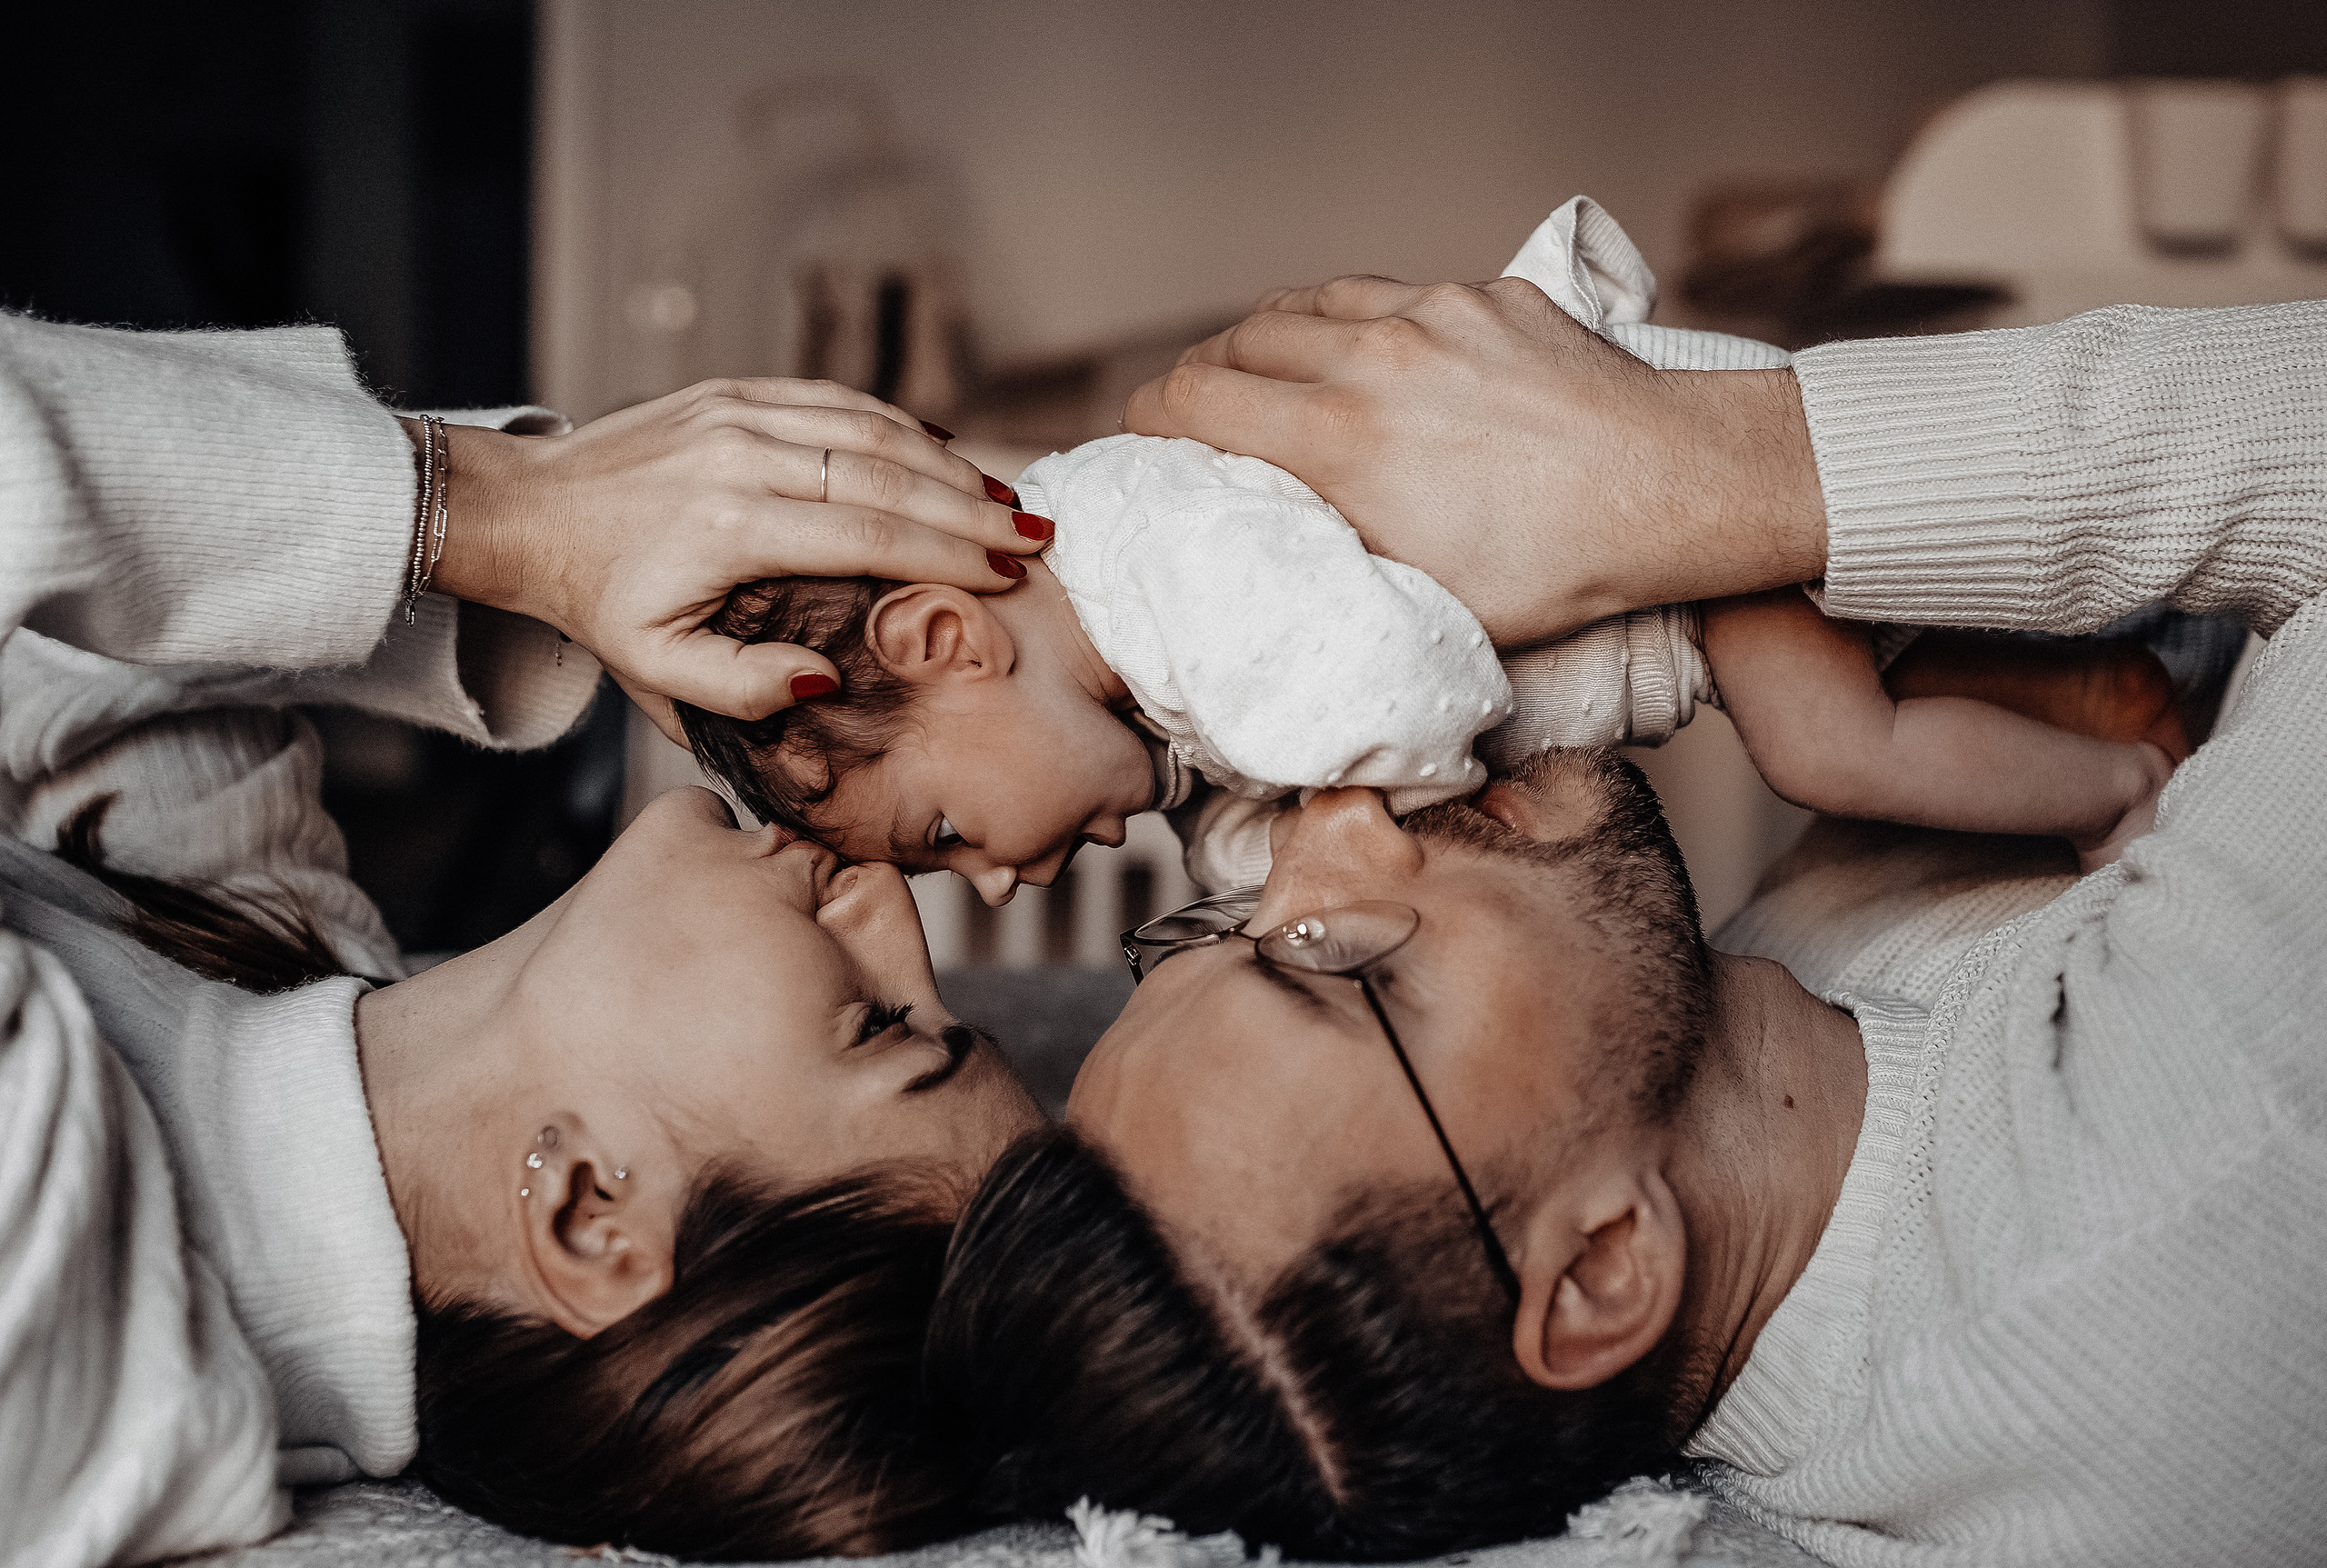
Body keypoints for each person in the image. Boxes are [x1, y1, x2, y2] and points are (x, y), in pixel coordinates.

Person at [924, 285, 2327, 1567]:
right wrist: (1701, 463)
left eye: (1227, 924)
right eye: (1338, 966)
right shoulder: (2214, 1137)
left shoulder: (1785, 1061)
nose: (1326, 822)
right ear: (1602, 1271)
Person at [0, 310, 1057, 1568]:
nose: (888, 903)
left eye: (881, 1025)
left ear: (590, 1215)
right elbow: (86, 669)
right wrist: (603, 576)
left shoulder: (43, 1242)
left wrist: (504, 515)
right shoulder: (265, 974)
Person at [683, 201, 2178, 912]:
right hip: (1647, 545)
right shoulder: (1140, 641)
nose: (998, 887)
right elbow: (1252, 791)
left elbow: (1396, 682)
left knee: (1835, 745)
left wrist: (1314, 833)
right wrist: (1264, 858)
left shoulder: (1156, 555)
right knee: (1951, 651)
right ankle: (2103, 692)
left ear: (950, 639)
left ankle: (2126, 797)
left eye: (946, 830)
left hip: (1660, 484)